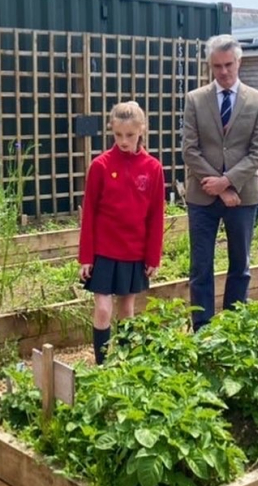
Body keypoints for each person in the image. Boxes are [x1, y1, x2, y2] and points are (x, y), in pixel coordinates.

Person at [182, 34, 258, 331]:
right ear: (210, 65)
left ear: (239, 62)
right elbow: (189, 150)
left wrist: (228, 183)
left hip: (242, 196)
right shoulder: (195, 99)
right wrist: (218, 186)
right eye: (217, 66)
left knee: (239, 265)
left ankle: (233, 328)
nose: (223, 71)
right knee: (200, 267)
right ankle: (202, 328)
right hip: (202, 196)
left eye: (228, 64)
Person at [78, 101, 165, 365]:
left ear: (142, 131)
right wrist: (86, 257)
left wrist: (153, 257)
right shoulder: (100, 166)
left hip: (134, 251)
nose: (124, 141)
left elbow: (156, 217)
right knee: (103, 310)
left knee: (127, 311)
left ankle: (126, 364)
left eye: (129, 135)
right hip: (104, 251)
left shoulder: (153, 169)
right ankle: (102, 367)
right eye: (118, 135)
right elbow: (89, 212)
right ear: (111, 131)